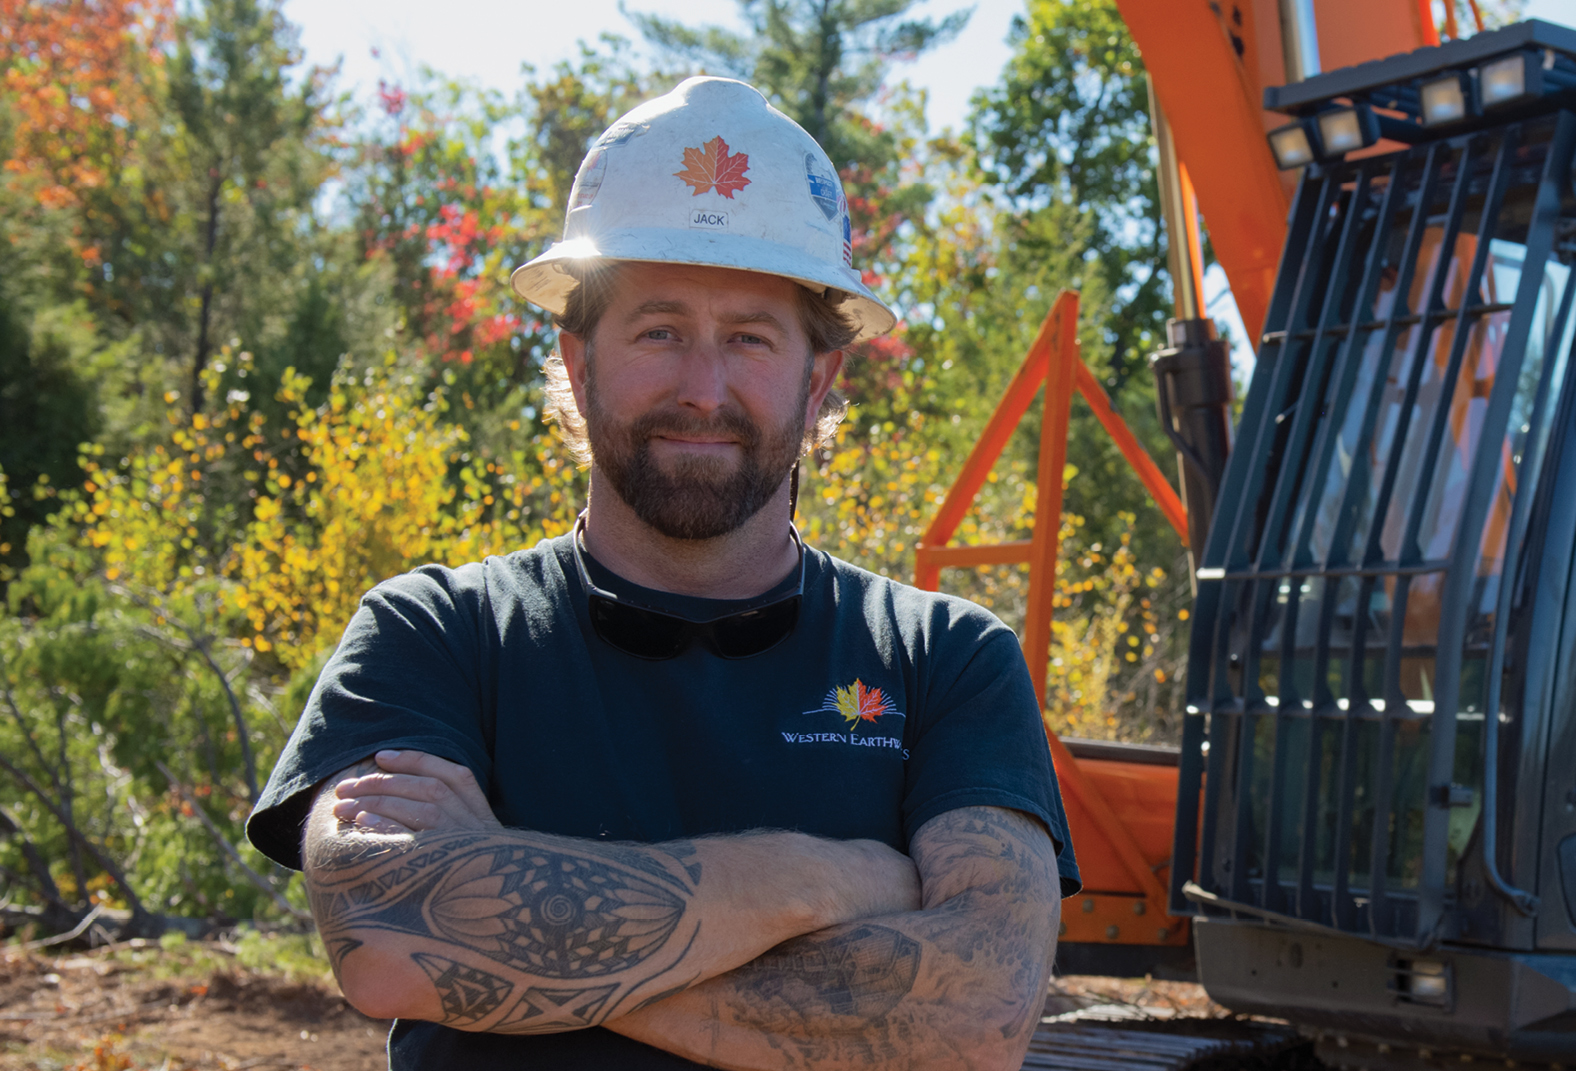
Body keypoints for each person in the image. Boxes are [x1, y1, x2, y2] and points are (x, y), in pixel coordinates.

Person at [246, 75, 1078, 1071]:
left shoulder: (944, 660)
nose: (702, 387)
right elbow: (388, 940)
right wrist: (829, 881)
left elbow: (978, 1012)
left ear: (819, 382)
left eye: (749, 339)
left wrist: (519, 927)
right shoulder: (436, 635)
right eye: (659, 330)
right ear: (579, 358)